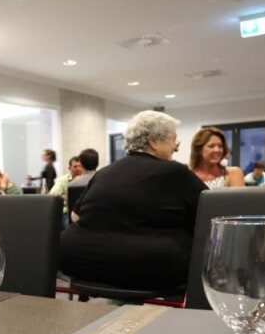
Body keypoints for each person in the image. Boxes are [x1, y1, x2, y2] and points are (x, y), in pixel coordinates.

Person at [60, 110, 207, 290]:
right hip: (152, 269)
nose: (175, 148)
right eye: (173, 141)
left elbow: (75, 217)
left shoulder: (105, 172)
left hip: (79, 262)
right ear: (154, 141)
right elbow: (211, 215)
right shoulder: (175, 172)